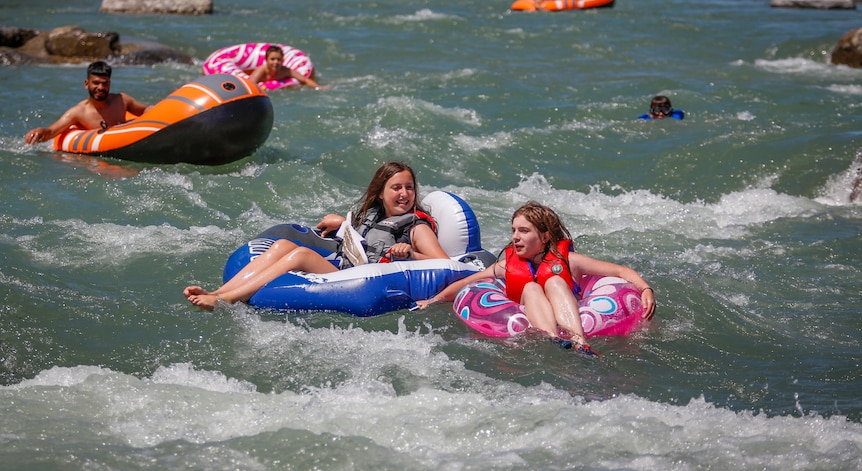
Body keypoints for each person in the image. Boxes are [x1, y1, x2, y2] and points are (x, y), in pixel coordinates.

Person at [183, 161, 450, 310]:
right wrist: (343, 225)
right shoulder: (376, 215)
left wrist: (410, 253)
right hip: (349, 266)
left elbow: (444, 265)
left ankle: (226, 300)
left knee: (300, 254)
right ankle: (218, 291)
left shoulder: (416, 227)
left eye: (409, 188)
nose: (404, 194)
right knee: (283, 244)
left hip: (365, 279)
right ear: (380, 192)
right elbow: (364, 241)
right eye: (396, 188)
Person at [416, 202, 656, 353]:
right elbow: (467, 283)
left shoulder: (570, 262)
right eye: (513, 231)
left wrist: (646, 290)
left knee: (553, 281)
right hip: (533, 316)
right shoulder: (506, 266)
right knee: (530, 288)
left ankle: (580, 341)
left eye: (524, 231)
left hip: (574, 310)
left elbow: (620, 272)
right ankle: (554, 339)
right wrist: (433, 300)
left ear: (544, 237)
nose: (515, 238)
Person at [24, 61, 151, 145]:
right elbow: (52, 132)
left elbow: (147, 111)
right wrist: (40, 131)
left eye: (105, 83)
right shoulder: (79, 112)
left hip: (128, 142)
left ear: (109, 84)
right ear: (86, 84)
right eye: (96, 83)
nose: (101, 87)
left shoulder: (122, 100)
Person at [247, 45, 326, 89]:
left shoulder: (285, 71)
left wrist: (318, 87)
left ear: (282, 60)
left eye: (278, 59)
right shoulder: (261, 71)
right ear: (266, 60)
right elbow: (250, 85)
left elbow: (305, 80)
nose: (276, 62)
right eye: (272, 59)